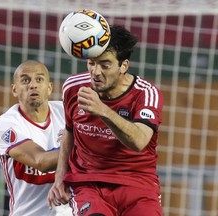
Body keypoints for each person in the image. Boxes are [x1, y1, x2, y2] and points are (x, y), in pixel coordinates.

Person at [48, 25, 164, 216]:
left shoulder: (147, 93)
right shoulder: (73, 87)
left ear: (123, 66)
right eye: (91, 63)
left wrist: (103, 110)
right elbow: (69, 131)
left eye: (105, 65)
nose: (95, 72)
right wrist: (59, 178)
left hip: (137, 183)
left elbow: (139, 141)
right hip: (89, 183)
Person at [0, 60, 72, 216]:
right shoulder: (5, 125)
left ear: (49, 88)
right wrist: (86, 146)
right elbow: (40, 161)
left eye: (39, 79)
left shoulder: (67, 113)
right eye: (25, 80)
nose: (33, 85)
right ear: (14, 90)